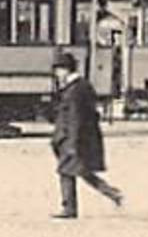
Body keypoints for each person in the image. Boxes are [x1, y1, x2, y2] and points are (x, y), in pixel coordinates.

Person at [49, 49, 122, 218]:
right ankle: (112, 194)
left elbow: (75, 118)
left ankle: (70, 208)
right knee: (80, 171)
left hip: (73, 139)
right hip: (76, 138)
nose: (57, 74)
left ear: (66, 69)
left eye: (58, 70)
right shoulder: (80, 86)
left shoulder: (75, 90)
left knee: (66, 171)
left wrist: (72, 143)